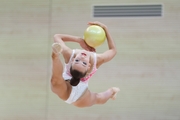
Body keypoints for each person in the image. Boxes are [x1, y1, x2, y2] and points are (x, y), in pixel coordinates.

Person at [51, 21, 120, 108]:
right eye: (84, 63)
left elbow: (57, 37)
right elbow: (113, 51)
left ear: (72, 61)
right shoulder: (96, 60)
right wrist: (105, 29)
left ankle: (112, 92)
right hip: (71, 90)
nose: (82, 58)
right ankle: (55, 56)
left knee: (55, 82)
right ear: (89, 66)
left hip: (80, 94)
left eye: (78, 61)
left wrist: (79, 40)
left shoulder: (70, 55)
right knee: (97, 98)